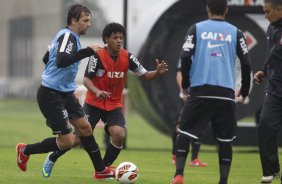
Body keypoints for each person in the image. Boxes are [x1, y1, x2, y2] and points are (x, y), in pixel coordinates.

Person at [41, 22, 168, 178]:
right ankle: (53, 157)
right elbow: (87, 80)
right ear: (106, 39)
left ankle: (103, 169)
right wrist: (97, 91)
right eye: (115, 37)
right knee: (76, 140)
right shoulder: (97, 55)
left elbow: (146, 75)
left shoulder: (128, 57)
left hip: (114, 104)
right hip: (93, 104)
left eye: (121, 38)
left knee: (119, 134)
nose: (119, 41)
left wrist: (158, 72)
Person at [16, 3, 115, 180]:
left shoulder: (66, 37)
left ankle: (100, 170)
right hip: (50, 95)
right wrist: (87, 51)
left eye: (89, 20)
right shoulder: (68, 37)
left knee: (85, 128)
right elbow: (61, 61)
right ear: (74, 20)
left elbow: (47, 58)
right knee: (67, 141)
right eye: (85, 20)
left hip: (66, 93)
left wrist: (57, 74)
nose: (89, 24)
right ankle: (25, 150)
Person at [171, 0, 251, 183]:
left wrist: (186, 85)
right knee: (225, 140)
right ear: (227, 9)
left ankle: (179, 175)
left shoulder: (196, 29)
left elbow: (185, 56)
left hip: (200, 90)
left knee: (184, 132)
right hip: (225, 93)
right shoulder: (236, 32)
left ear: (207, 8)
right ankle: (223, 181)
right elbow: (246, 64)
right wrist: (244, 90)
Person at [254, 0, 282, 183]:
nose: (265, 15)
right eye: (264, 11)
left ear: (280, 9)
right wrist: (264, 70)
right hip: (275, 89)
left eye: (268, 11)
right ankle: (271, 170)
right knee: (264, 126)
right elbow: (271, 54)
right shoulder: (271, 29)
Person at [171, 60, 207, 167]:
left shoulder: (206, 50)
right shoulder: (188, 50)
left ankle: (194, 159)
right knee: (180, 124)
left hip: (201, 96)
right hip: (188, 96)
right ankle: (175, 155)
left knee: (200, 124)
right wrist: (184, 91)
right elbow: (179, 73)